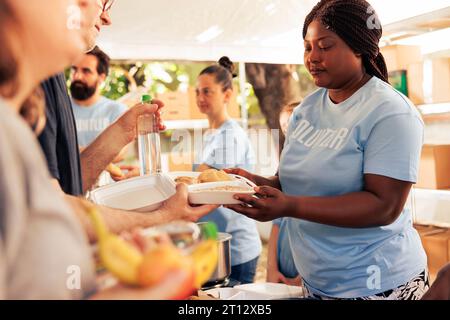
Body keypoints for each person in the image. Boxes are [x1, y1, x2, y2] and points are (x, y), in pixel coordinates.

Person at [0, 0, 207, 300]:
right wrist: (162, 218)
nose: (102, 16)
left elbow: (60, 194)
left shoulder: (17, 127)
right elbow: (61, 207)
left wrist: (123, 131)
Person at [227, 0, 429, 300]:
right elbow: (287, 184)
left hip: (378, 285)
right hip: (318, 283)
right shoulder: (306, 110)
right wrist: (248, 182)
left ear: (358, 47)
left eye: (325, 46)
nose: (312, 58)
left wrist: (289, 207)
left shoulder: (390, 113)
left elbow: (384, 206)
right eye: (308, 47)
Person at [38, 0, 216, 242]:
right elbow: (50, 211)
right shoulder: (33, 78)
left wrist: (123, 130)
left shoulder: (52, 74)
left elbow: (69, 186)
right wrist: (163, 217)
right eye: (103, 3)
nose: (107, 18)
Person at [193, 57, 262, 284]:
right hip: (215, 243)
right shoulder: (211, 134)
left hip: (235, 247)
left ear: (227, 95)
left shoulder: (230, 135)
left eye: (207, 92)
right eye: (197, 92)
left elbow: (205, 182)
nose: (200, 98)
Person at [266, 101, 302, 286]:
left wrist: (306, 276)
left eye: (296, 123)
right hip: (282, 265)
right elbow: (277, 223)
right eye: (286, 127)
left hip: (307, 271)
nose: (290, 130)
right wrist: (271, 268)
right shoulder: (285, 164)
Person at [70, 46, 127, 148]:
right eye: (74, 69)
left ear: (101, 78)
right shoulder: (57, 108)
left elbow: (119, 152)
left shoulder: (116, 111)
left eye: (86, 71)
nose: (77, 76)